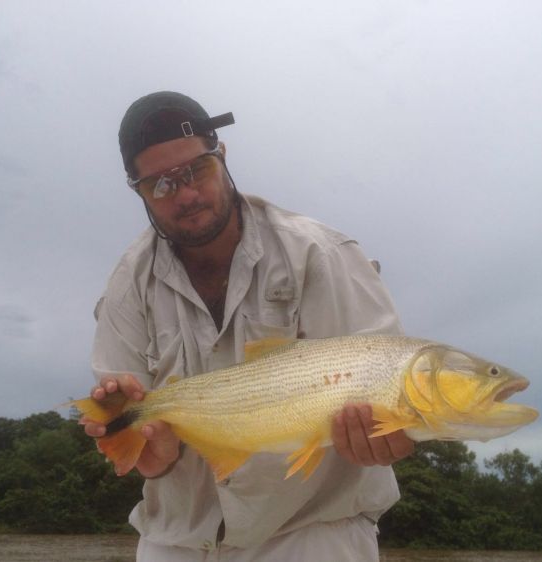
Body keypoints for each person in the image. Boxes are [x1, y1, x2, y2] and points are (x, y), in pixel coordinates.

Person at [83, 91, 414, 561]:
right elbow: (132, 433)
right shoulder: (126, 286)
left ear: (221, 155)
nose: (186, 195)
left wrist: (390, 439)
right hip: (176, 538)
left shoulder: (321, 253)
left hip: (313, 529)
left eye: (196, 170)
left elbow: (390, 389)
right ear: (138, 190)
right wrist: (153, 458)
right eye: (160, 184)